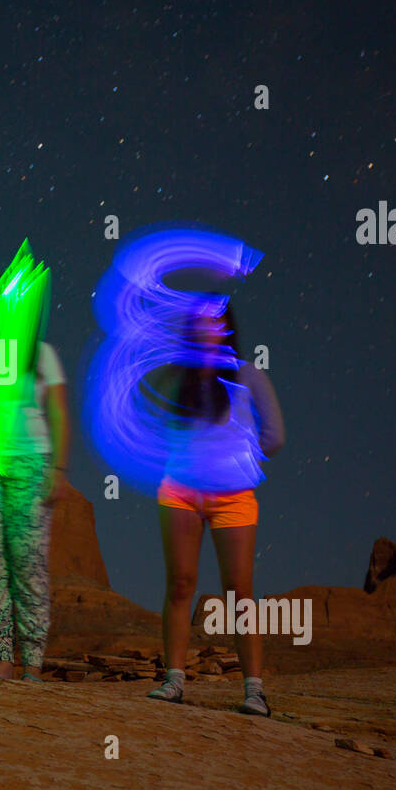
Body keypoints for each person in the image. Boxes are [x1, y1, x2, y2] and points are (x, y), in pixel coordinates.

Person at [147, 302, 284, 715]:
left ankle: (254, 691)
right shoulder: (178, 378)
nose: (207, 328)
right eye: (200, 323)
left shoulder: (248, 375)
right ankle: (174, 681)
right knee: (181, 583)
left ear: (227, 329)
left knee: (240, 592)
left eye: (214, 321)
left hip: (232, 495)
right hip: (181, 490)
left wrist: (238, 459)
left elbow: (274, 433)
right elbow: (146, 408)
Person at [0, 277, 69, 683]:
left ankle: (33, 664)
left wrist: (57, 470)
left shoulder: (42, 356)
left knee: (28, 563)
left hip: (31, 463)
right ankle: (3, 658)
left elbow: (58, 413)